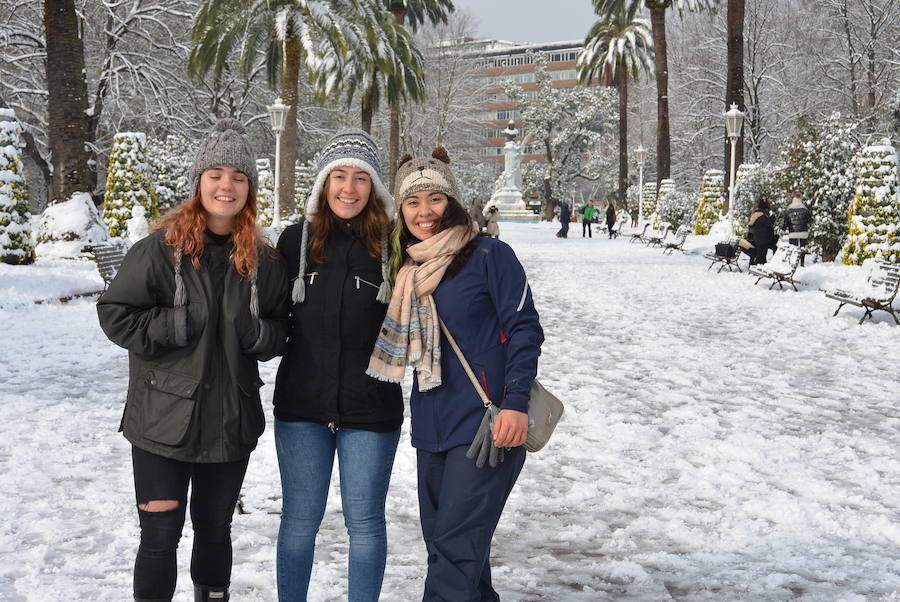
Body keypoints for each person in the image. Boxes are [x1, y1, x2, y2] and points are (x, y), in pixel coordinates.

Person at [96, 118, 290, 602]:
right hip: (163, 422)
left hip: (230, 421)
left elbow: (282, 331)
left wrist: (258, 334)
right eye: (216, 175)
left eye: (239, 177)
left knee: (214, 530)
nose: (227, 186)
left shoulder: (264, 263)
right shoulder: (158, 252)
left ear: (250, 188)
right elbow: (115, 314)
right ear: (199, 182)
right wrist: (168, 326)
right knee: (160, 537)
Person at [367, 147, 544, 601]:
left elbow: (525, 329)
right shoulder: (407, 269)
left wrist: (516, 404)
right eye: (412, 201)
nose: (424, 212)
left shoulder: (489, 255)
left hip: (489, 424)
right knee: (453, 552)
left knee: (454, 552)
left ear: (454, 201)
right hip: (433, 428)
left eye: (435, 199)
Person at [272, 129, 403, 602]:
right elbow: (264, 315)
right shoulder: (293, 243)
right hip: (302, 406)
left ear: (374, 187)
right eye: (339, 176)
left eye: (360, 178)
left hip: (372, 407)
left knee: (365, 522)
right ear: (324, 183)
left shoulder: (393, 246)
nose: (349, 188)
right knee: (300, 520)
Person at [741, 195, 778, 265]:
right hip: (763, 240)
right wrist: (772, 217)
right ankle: (761, 265)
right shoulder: (763, 217)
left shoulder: (755, 215)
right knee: (763, 255)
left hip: (756, 238)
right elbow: (770, 225)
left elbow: (751, 226)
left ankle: (755, 263)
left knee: (760, 253)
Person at [783, 190, 811, 266]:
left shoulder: (789, 208)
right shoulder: (805, 208)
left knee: (793, 248)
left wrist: (784, 229)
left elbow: (786, 221)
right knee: (802, 248)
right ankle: (802, 262)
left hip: (793, 232)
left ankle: (793, 263)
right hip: (803, 231)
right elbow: (809, 220)